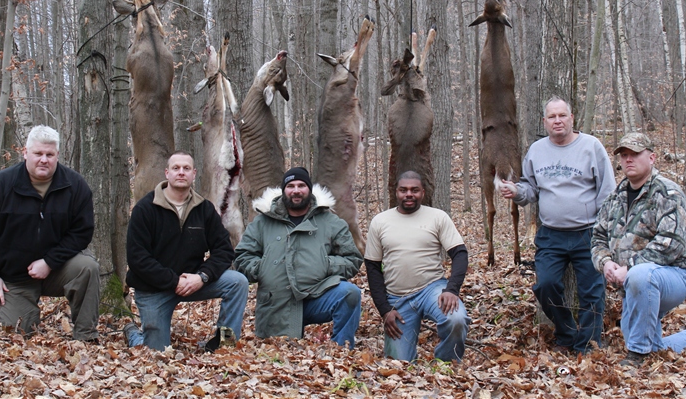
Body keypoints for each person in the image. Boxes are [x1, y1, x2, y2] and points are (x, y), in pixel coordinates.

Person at [500, 97, 615, 353]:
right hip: (551, 234)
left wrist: (604, 231)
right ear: (545, 121)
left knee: (592, 292)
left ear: (572, 118)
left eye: (562, 115)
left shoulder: (591, 147)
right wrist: (515, 191)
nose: (558, 121)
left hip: (588, 233)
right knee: (546, 286)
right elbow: (530, 189)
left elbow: (608, 192)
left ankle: (588, 345)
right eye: (552, 117)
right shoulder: (537, 150)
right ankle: (566, 333)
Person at [0, 125, 99, 340]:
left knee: (88, 267)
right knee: (6, 334)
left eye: (49, 154)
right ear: (25, 153)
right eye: (38, 154)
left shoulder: (75, 186)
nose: (43, 160)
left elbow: (81, 232)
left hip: (55, 269)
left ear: (57, 155)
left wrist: (49, 261)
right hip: (12, 278)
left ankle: (86, 336)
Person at [591, 132, 686, 366]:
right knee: (652, 343)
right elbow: (597, 238)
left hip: (673, 276)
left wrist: (629, 268)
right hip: (630, 284)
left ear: (652, 157)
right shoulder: (614, 198)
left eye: (635, 154)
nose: (628, 159)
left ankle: (637, 357)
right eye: (624, 155)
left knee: (641, 276)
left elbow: (672, 244)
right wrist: (605, 263)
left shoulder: (669, 193)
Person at [124, 151, 249, 352]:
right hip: (153, 288)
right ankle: (135, 336)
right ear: (167, 173)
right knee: (157, 352)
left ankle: (224, 343)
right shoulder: (145, 209)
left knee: (237, 282)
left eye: (186, 168)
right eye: (176, 168)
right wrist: (174, 281)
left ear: (194, 174)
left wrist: (202, 277)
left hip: (193, 282)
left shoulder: (204, 209)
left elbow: (224, 250)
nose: (181, 172)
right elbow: (138, 259)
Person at [234, 167, 363, 348]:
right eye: (290, 186)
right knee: (278, 354)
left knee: (350, 293)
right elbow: (242, 257)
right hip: (277, 302)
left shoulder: (331, 222)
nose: (296, 190)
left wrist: (324, 264)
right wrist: (263, 268)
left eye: (301, 185)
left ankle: (341, 349)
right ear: (283, 190)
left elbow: (352, 259)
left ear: (309, 190)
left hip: (317, 296)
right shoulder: (262, 223)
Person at [365, 171, 470, 362]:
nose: (409, 194)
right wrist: (385, 309)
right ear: (395, 192)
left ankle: (445, 364)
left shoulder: (438, 217)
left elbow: (460, 253)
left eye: (414, 190)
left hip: (432, 289)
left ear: (423, 192)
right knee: (397, 365)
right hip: (397, 298)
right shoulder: (380, 222)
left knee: (456, 319)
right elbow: (372, 267)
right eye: (403, 190)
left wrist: (452, 290)